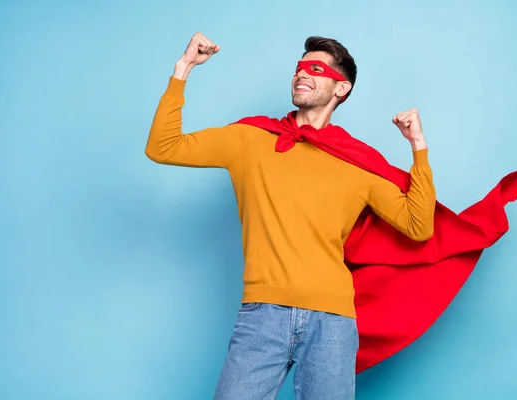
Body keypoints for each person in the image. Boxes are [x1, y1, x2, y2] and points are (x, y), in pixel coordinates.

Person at [145, 32, 436, 400]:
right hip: (262, 315)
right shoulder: (250, 139)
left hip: (332, 322)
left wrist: (418, 148)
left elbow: (418, 225)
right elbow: (163, 146)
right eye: (299, 69)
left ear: (340, 88)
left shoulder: (357, 161)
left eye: (315, 69)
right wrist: (183, 69)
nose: (301, 75)